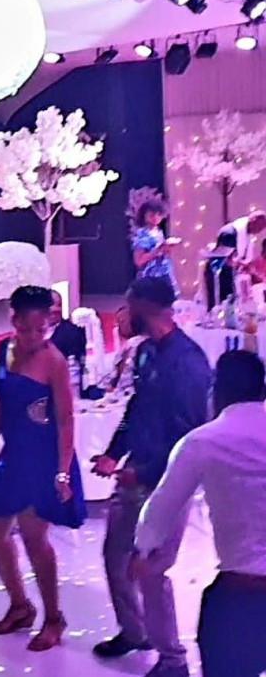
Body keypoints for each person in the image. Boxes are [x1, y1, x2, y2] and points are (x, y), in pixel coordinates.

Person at [91, 276, 211, 677]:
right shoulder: (145, 353)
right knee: (115, 556)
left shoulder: (189, 362)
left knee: (153, 571)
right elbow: (136, 409)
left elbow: (190, 434)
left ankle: (173, 660)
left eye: (130, 304)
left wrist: (139, 470)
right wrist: (112, 455)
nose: (124, 314)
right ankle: (134, 631)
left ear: (149, 307)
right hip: (134, 476)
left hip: (167, 485)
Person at [134, 350, 266, 677]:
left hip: (242, 596)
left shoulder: (201, 442)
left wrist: (143, 549)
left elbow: (161, 508)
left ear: (216, 391)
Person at [0, 286, 86, 651]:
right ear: (14, 320)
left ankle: (54, 618)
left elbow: (67, 419)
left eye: (42, 330)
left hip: (44, 458)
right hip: (12, 454)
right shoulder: (3, 350)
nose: (35, 337)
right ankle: (20, 605)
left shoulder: (54, 361)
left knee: (35, 537)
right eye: (27, 329)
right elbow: (1, 403)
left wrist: (63, 471)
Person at [205, 211, 266, 308]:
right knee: (221, 305)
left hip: (232, 274)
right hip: (219, 274)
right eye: (259, 227)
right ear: (253, 221)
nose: (259, 231)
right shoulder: (230, 233)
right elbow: (226, 259)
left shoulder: (248, 234)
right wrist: (244, 265)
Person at [132, 198, 180, 291]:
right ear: (144, 215)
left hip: (165, 272)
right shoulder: (142, 234)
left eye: (159, 214)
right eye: (152, 214)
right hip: (151, 276)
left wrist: (167, 248)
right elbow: (139, 261)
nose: (155, 217)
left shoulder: (158, 231)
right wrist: (158, 250)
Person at [50, 292, 88, 397]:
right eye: (50, 304)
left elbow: (75, 369)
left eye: (58, 305)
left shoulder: (72, 332)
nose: (54, 309)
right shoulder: (33, 333)